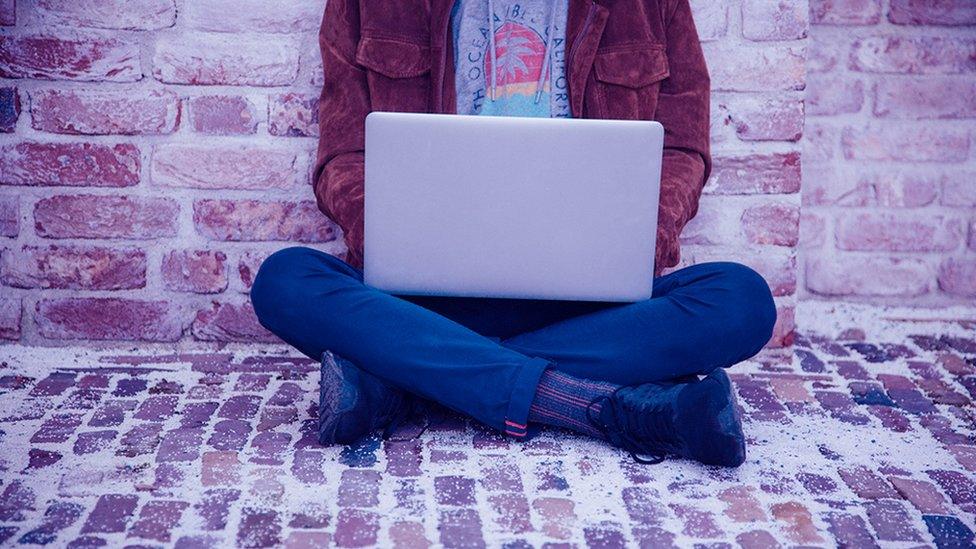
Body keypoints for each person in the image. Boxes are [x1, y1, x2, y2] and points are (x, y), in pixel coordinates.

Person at [251, 0, 777, 467]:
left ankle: (403, 383)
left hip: (592, 308)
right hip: (425, 302)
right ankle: (604, 409)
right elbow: (344, 155)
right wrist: (401, 235)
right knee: (286, 280)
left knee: (741, 300)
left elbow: (682, 148)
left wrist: (637, 238)